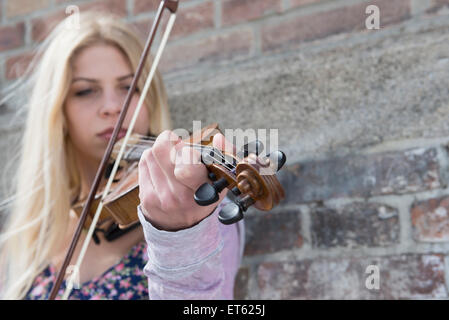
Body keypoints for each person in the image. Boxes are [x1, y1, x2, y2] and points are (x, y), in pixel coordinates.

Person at [0, 12, 244, 300]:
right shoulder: (29, 235)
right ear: (57, 113)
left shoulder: (196, 211)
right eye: (86, 91)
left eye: (128, 88)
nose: (112, 106)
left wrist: (181, 237)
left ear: (149, 98)